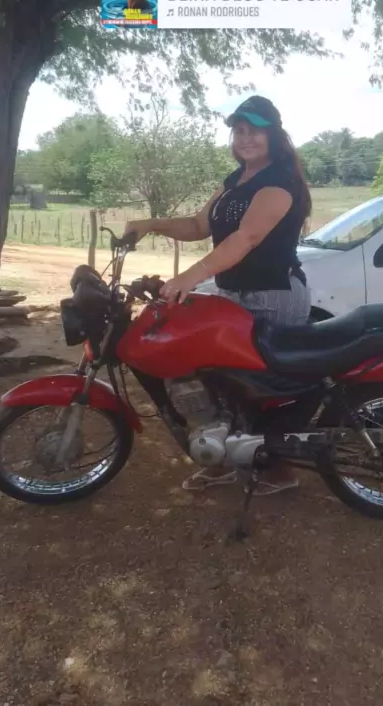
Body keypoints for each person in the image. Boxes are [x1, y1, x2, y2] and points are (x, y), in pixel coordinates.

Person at [124, 96, 312, 494]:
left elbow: (247, 238)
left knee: (265, 388)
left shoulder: (279, 182)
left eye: (255, 130)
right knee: (217, 378)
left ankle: (280, 468)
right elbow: (198, 225)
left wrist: (189, 276)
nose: (245, 138)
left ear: (273, 135)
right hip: (235, 293)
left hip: (272, 294)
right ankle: (223, 458)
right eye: (239, 131)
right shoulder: (236, 180)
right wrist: (151, 223)